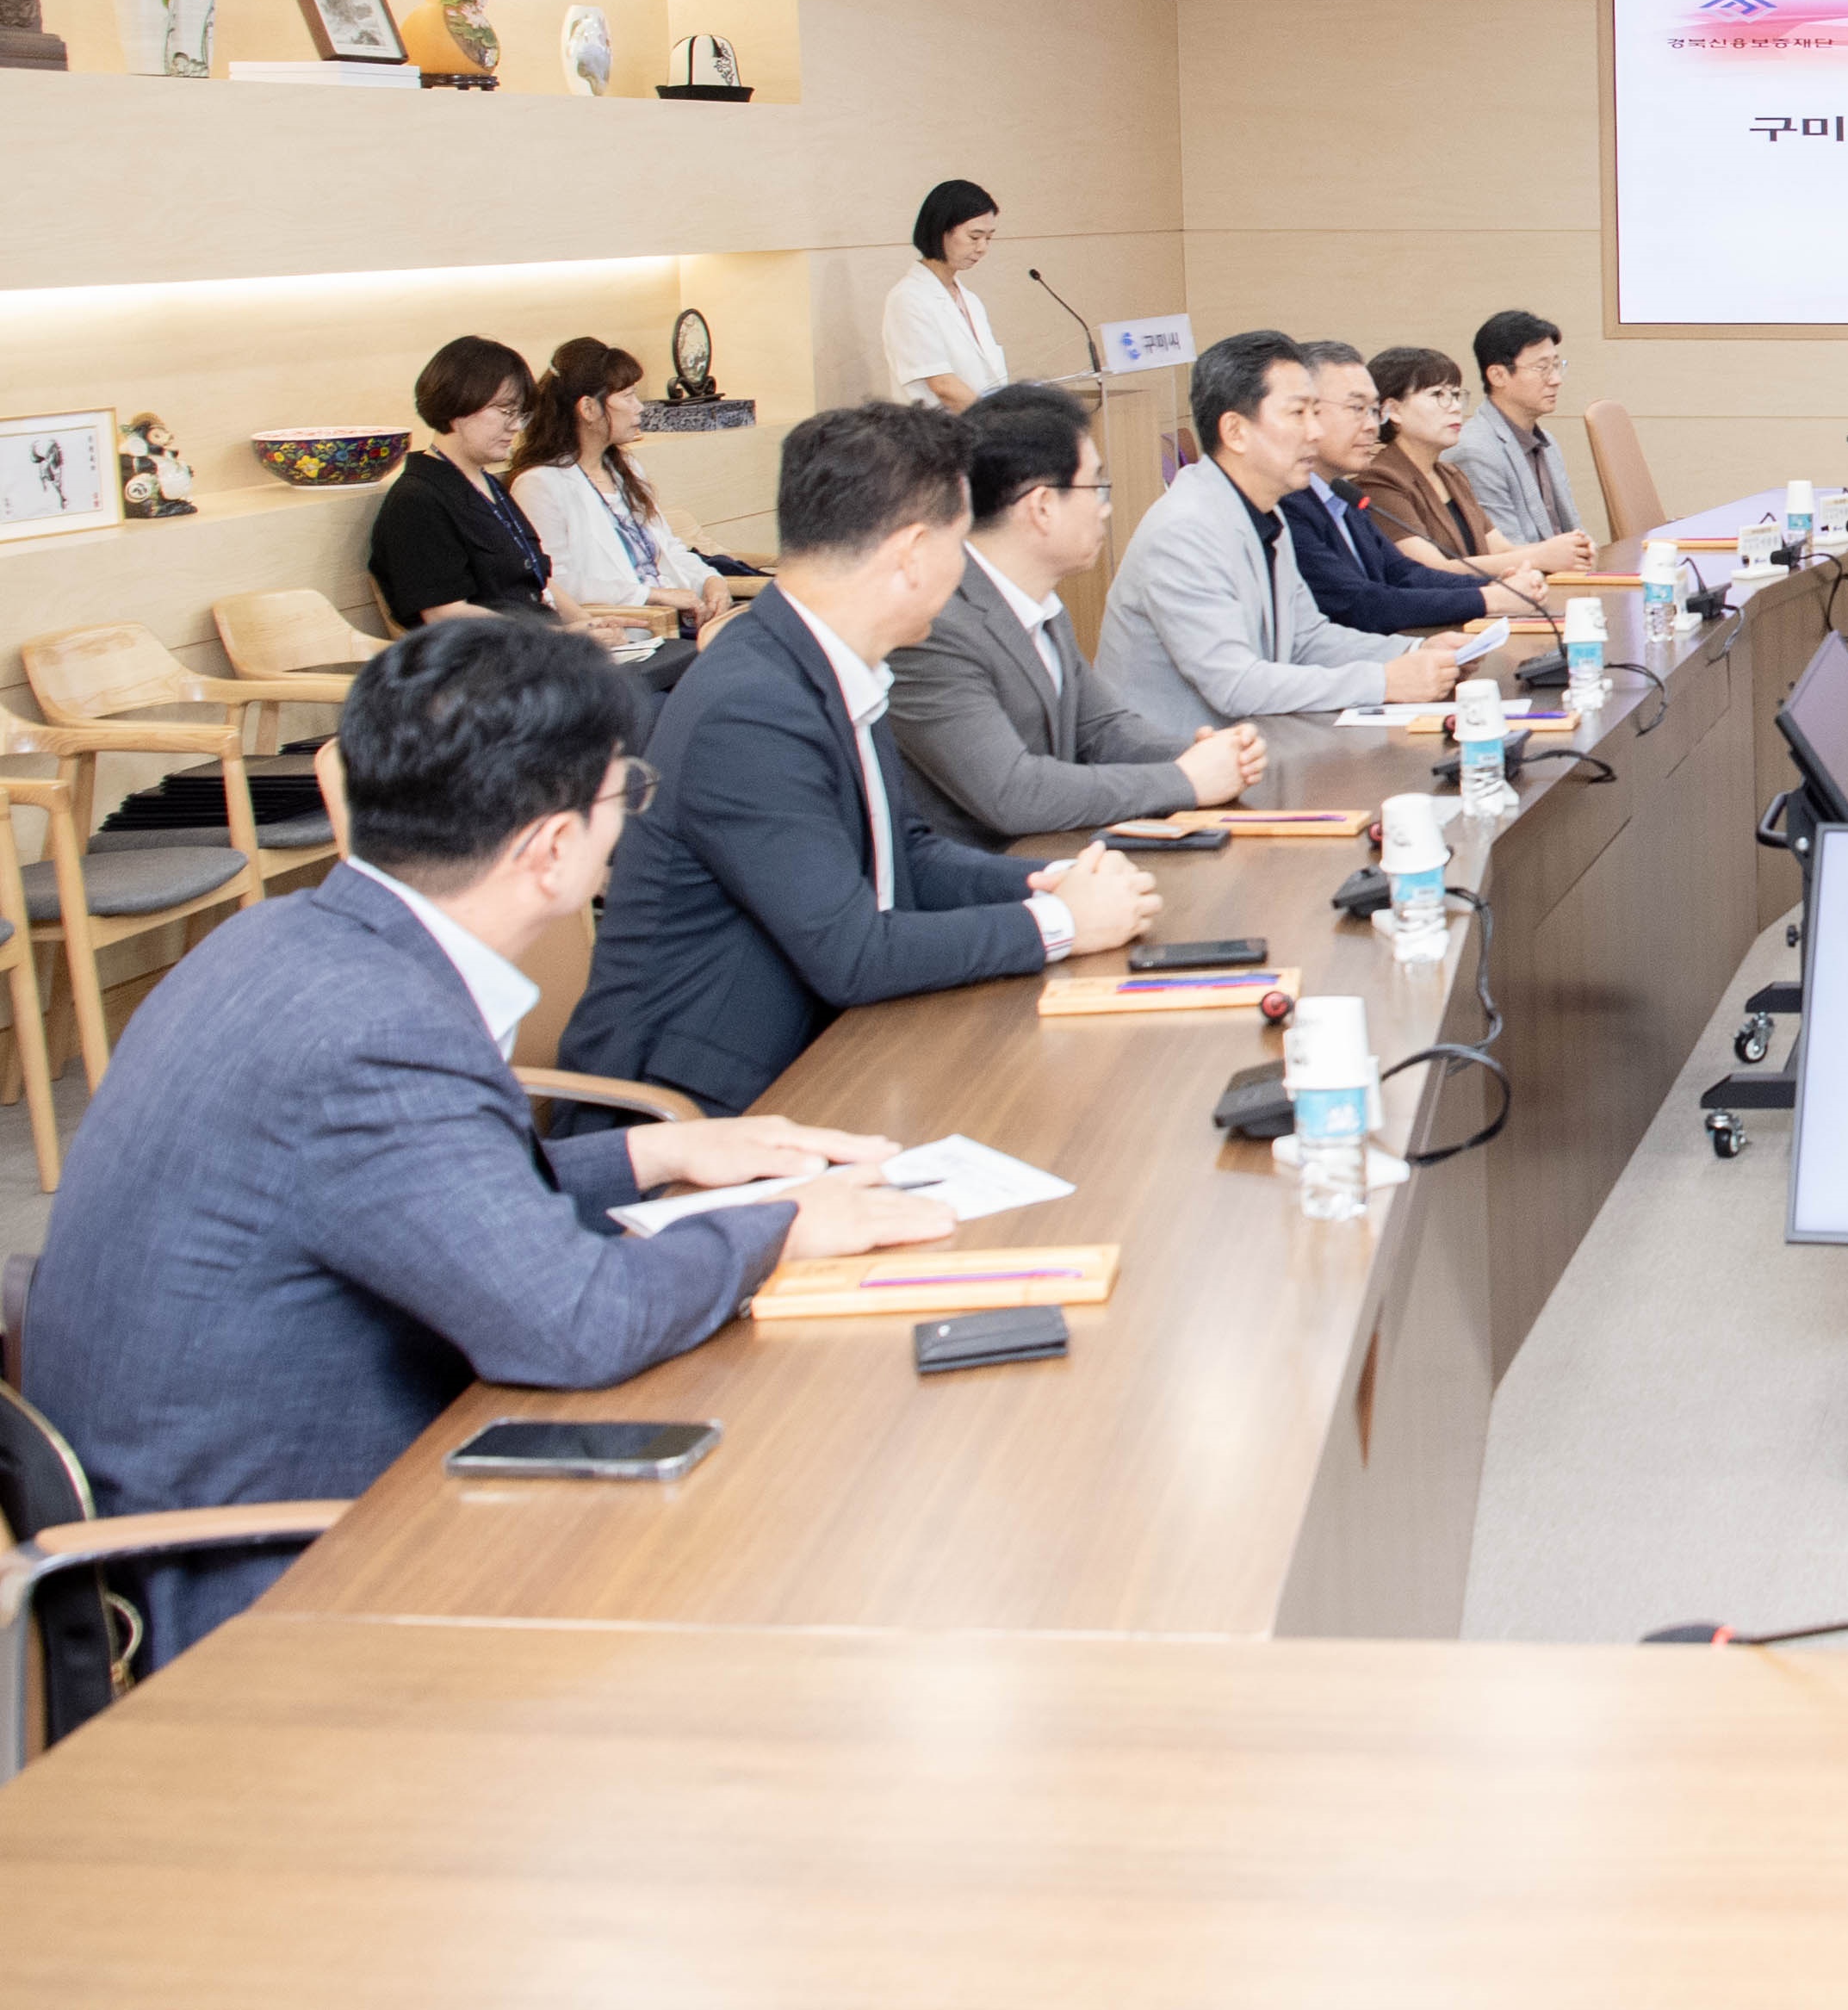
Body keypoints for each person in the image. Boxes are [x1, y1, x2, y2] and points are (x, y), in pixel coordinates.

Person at [21, 619, 952, 1664]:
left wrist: (652, 1156)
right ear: (552, 850)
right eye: (624, 793)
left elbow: (405, 1191)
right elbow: (579, 1322)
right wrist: (779, 1228)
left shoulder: (283, 939)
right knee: (790, 1528)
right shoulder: (380, 1033)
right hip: (272, 1582)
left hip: (214, 1502)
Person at [561, 405, 1161, 1115]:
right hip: (709, 1102)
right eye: (960, 543)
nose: (965, 570)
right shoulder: (751, 708)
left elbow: (904, 856)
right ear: (911, 554)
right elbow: (853, 954)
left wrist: (1049, 881)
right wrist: (1060, 923)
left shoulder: (828, 658)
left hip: (827, 1051)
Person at [892, 382, 1266, 852]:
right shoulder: (935, 628)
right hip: (987, 877)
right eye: (1096, 487)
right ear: (1042, 506)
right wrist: (1185, 779)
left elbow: (1102, 730)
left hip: (1062, 856)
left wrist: (1209, 755)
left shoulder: (1041, 603)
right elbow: (1013, 792)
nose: (1105, 510)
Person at [1098, 331, 1477, 726]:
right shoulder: (1185, 530)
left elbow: (1306, 639)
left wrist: (1415, 654)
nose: (1315, 432)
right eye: (1298, 413)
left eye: (1316, 412)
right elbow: (1235, 684)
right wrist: (1383, 681)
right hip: (1177, 756)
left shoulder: (1266, 513)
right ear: (1235, 432)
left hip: (1255, 741)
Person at [369, 335, 696, 721]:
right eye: (504, 412)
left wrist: (586, 623)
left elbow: (541, 579)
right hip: (489, 674)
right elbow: (446, 617)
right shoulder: (418, 500)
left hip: (540, 656)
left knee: (690, 680)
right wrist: (559, 637)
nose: (515, 427)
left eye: (520, 414)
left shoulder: (486, 484)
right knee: (655, 707)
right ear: (457, 406)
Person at [505, 336, 735, 642]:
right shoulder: (540, 485)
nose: (639, 408)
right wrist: (651, 596)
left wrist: (710, 580)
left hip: (678, 625)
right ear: (588, 408)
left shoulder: (625, 469)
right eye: (628, 397)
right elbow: (555, 583)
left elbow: (667, 548)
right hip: (628, 635)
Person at [1282, 341, 1503, 636]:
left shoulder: (1342, 495)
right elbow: (1362, 604)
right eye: (1357, 408)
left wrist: (1494, 586)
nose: (1372, 426)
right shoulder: (1287, 504)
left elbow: (1404, 573)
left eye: (1374, 411)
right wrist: (1488, 598)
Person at [1355, 345, 1568, 599]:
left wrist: (1561, 553)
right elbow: (1431, 571)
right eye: (1438, 395)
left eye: (1456, 395)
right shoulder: (1378, 481)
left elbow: (1501, 550)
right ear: (1394, 410)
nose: (1455, 407)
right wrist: (1540, 556)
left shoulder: (1451, 474)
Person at [1444, 308, 1599, 561]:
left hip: (1566, 575)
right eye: (1542, 368)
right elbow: (1505, 553)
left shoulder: (1547, 443)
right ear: (1498, 375)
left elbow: (1574, 532)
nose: (1556, 379)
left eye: (1556, 366)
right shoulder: (1475, 450)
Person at [883, 178, 1012, 410]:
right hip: (936, 429)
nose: (982, 248)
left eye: (989, 238)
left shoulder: (970, 300)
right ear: (941, 230)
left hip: (979, 427)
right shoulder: (908, 298)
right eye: (974, 237)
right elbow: (942, 385)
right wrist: (996, 422)